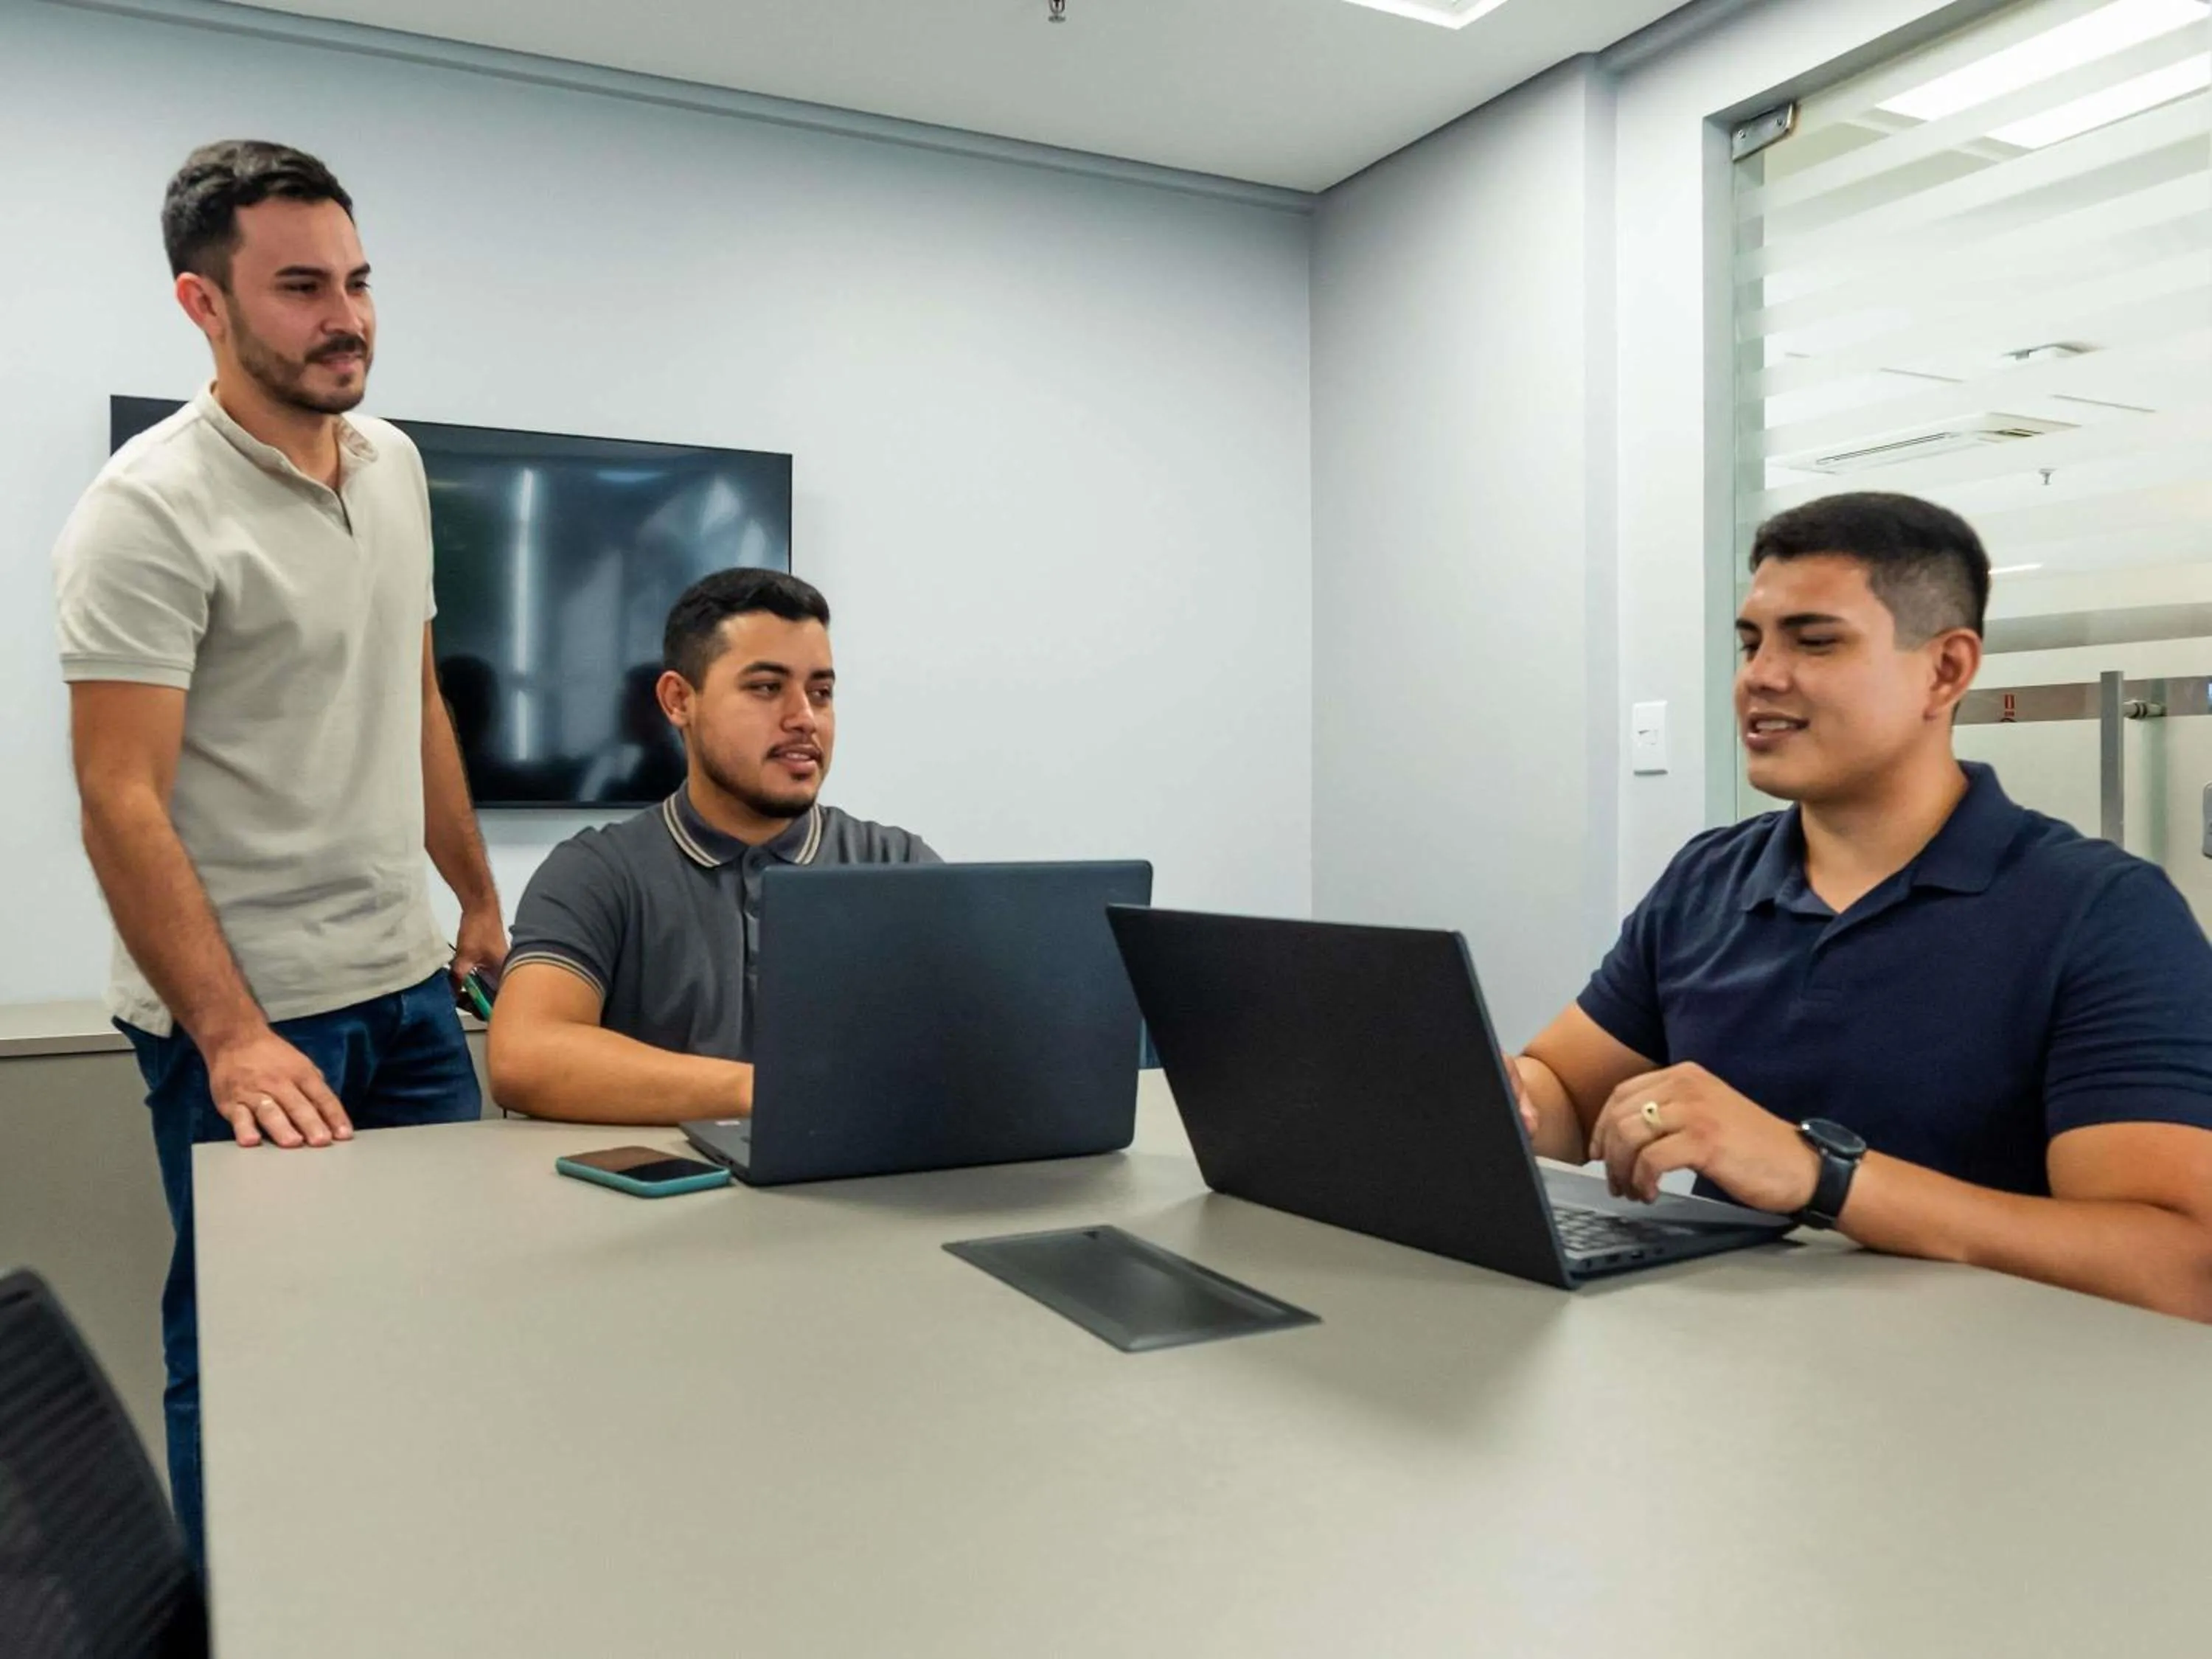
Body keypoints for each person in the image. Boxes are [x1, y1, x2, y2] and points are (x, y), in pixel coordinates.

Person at [52, 140, 507, 1563]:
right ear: (205, 304)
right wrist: (235, 1035)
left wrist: (478, 896)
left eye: (359, 281)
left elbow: (413, 693)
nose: (347, 317)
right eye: (302, 287)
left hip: (409, 993)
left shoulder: (399, 466)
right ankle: (252, 1615)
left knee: (440, 1319)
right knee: (254, 1350)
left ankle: (415, 1581)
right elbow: (118, 798)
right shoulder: (146, 509)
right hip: (245, 1022)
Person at [1509, 492, 2212, 1321]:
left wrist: (1824, 1174)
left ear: (1946, 670)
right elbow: (1566, 1090)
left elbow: (2179, 1263)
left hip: (1983, 1401)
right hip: (1715, 1366)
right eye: (1750, 643)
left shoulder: (2101, 912)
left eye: (1815, 642)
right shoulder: (1709, 880)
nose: (1760, 676)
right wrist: (1502, 1100)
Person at [490, 569, 937, 1124]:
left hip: (859, 1195)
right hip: (659, 1200)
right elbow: (524, 1056)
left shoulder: (897, 867)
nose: (804, 719)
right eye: (766, 688)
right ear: (679, 700)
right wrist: (770, 1092)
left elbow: (983, 1042)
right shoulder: (596, 873)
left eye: (821, 693)